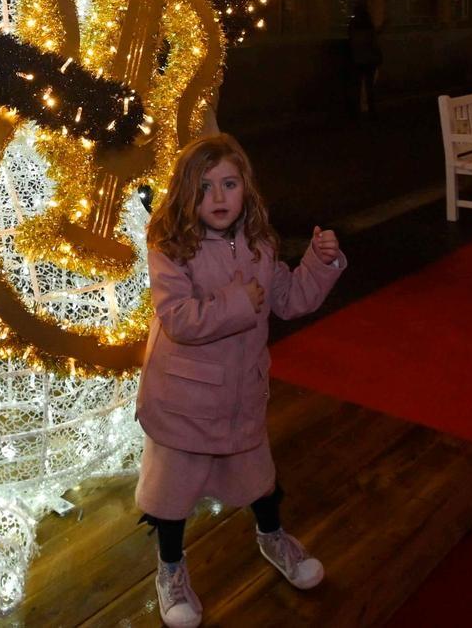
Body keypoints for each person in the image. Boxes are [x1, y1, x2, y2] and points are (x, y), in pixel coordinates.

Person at [135, 133, 346, 628]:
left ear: (245, 188)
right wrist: (237, 301)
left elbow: (290, 300)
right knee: (172, 494)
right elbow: (178, 318)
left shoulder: (260, 243)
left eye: (229, 184)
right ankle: (170, 568)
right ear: (186, 192)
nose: (219, 197)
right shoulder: (170, 247)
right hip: (183, 398)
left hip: (240, 392)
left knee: (260, 480)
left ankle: (273, 538)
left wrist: (320, 261)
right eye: (205, 187)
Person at [347, 4, 382, 118]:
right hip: (369, 59)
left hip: (357, 59)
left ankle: (356, 109)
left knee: (356, 85)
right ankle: (371, 108)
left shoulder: (352, 26)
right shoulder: (369, 26)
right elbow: (374, 44)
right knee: (369, 86)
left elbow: (351, 42)